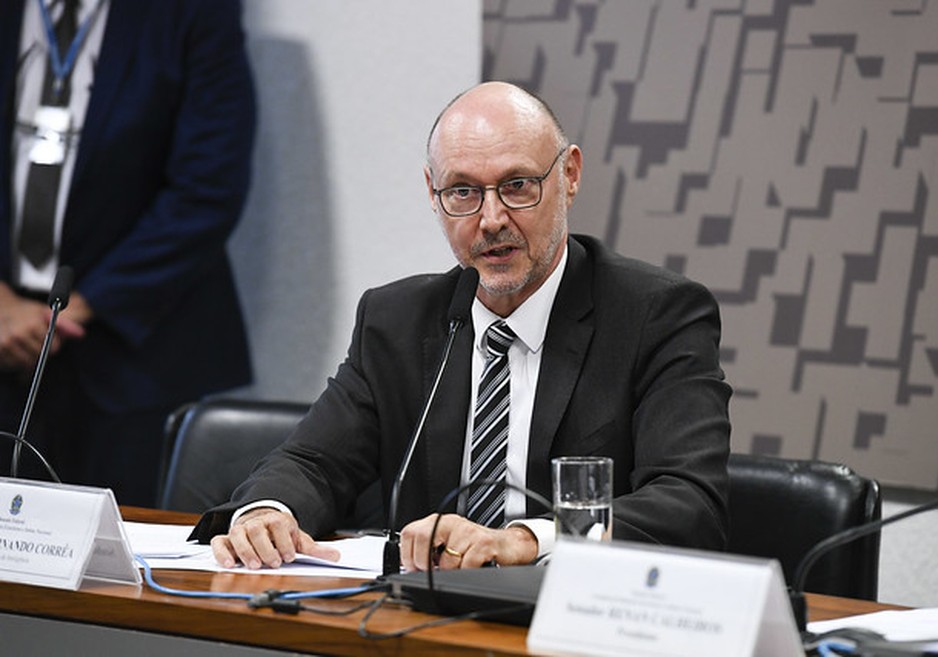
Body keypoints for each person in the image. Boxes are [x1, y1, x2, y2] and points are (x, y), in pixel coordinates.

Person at [193, 81, 731, 572]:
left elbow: (689, 500)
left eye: (518, 185)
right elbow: (312, 461)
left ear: (569, 176)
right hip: (424, 625)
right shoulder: (396, 320)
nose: (491, 218)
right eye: (463, 192)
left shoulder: (658, 315)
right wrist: (268, 511)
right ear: (434, 194)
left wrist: (527, 539)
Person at [0, 0, 255, 506]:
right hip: (3, 335)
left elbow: (207, 188)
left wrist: (80, 306)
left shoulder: (193, 14)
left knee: (125, 569)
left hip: (132, 351)